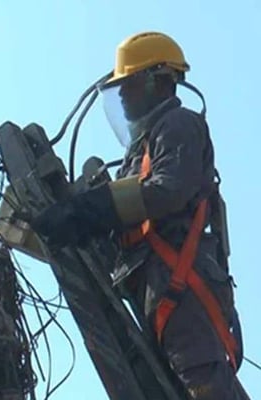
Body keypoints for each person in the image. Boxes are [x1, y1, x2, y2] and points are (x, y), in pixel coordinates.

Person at [30, 31, 249, 399]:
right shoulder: (141, 150)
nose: (124, 98)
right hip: (156, 283)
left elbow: (168, 190)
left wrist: (91, 209)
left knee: (203, 384)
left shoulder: (179, 124)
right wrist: (83, 220)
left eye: (129, 86)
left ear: (158, 81)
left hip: (182, 284)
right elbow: (129, 210)